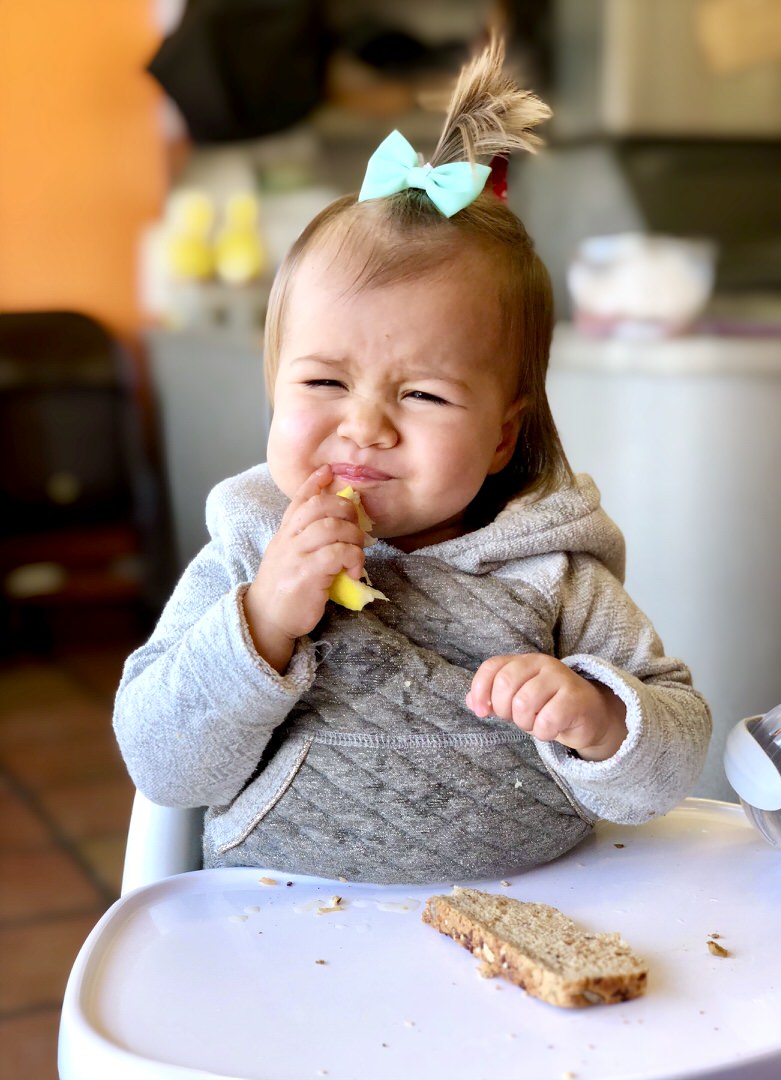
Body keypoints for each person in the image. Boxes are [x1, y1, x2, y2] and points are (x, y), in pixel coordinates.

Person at [114, 35, 711, 885]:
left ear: (503, 435)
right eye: (324, 381)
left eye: (423, 396)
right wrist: (262, 626)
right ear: (274, 392)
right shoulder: (252, 550)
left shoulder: (551, 571)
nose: (365, 429)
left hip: (533, 907)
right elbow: (163, 766)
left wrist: (599, 716)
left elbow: (675, 752)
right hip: (277, 919)